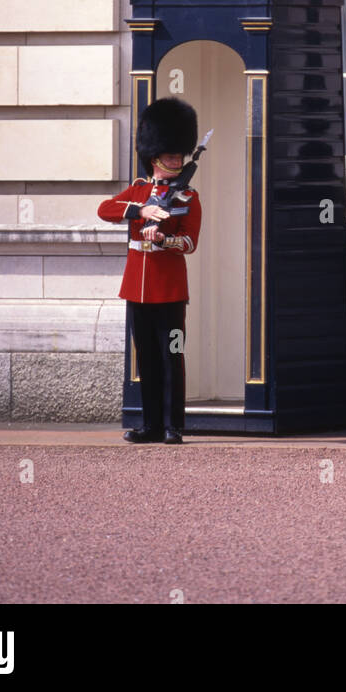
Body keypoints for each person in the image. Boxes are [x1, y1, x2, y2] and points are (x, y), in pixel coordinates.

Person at [97, 97, 202, 444]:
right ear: (154, 157)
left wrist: (163, 241)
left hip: (169, 289)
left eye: (178, 155)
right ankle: (151, 425)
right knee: (147, 361)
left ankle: (174, 425)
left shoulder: (188, 197)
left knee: (172, 356)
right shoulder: (140, 192)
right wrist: (142, 212)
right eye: (170, 155)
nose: (176, 160)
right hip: (137, 288)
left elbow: (189, 242)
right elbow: (104, 209)